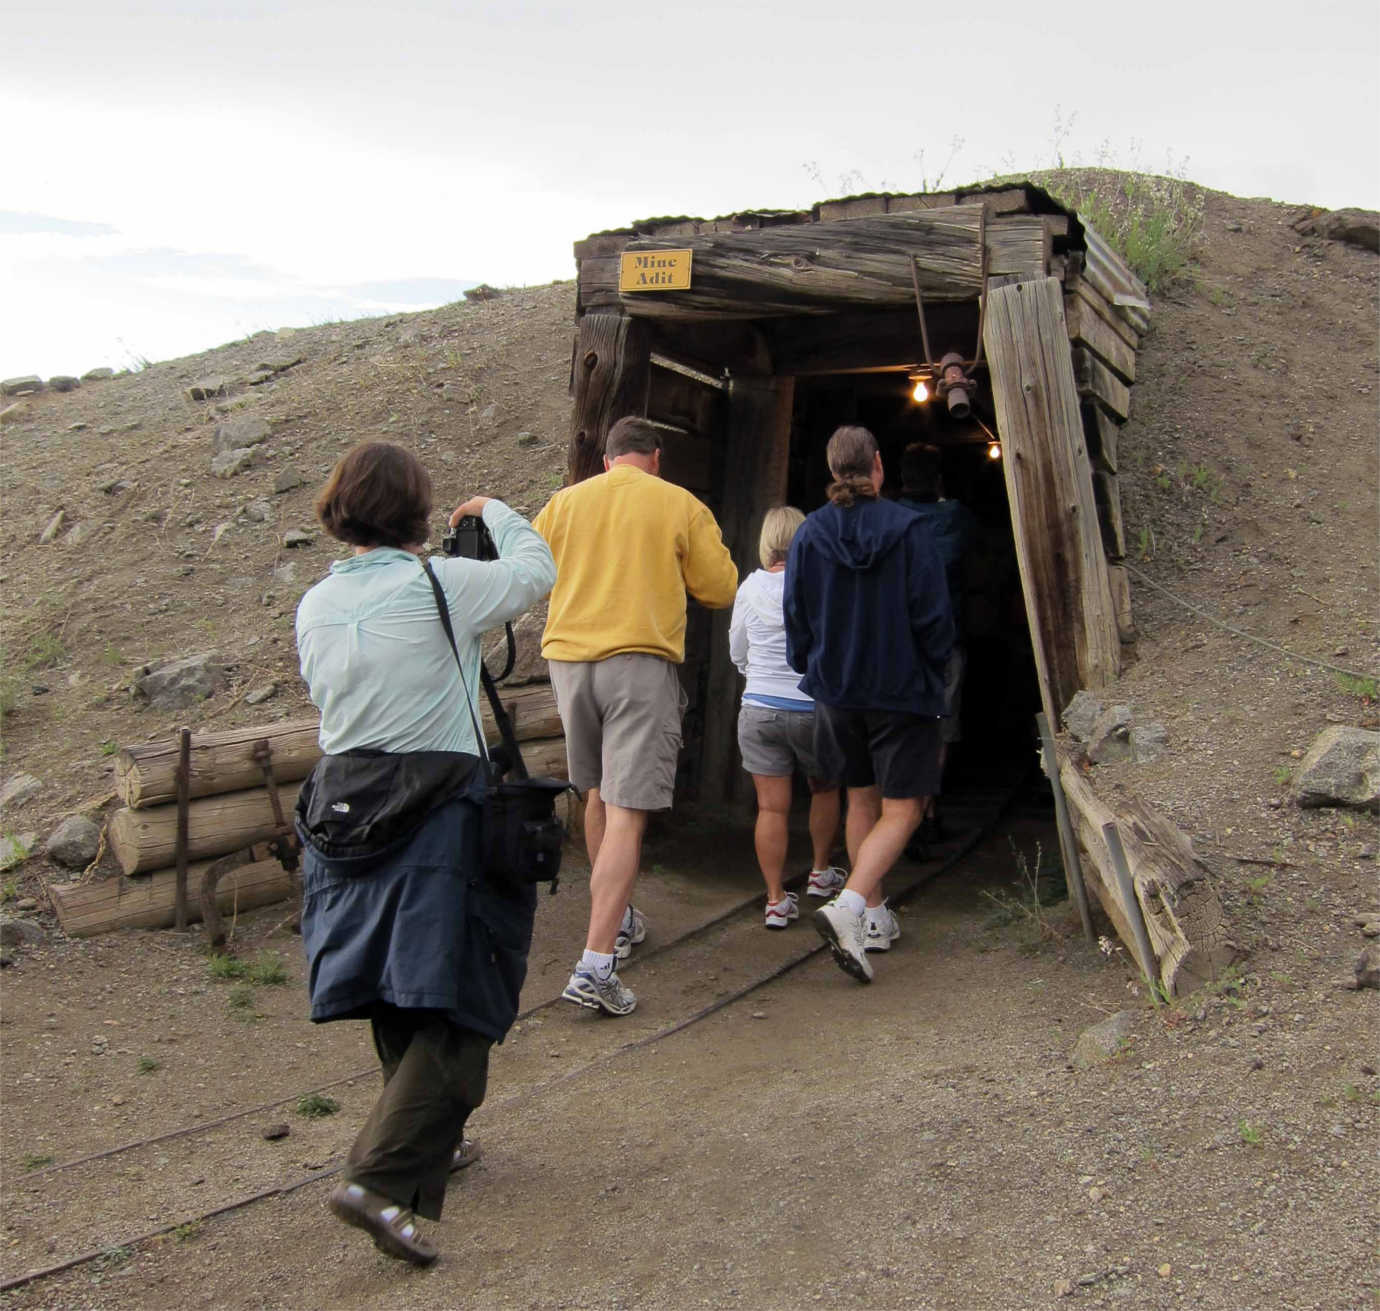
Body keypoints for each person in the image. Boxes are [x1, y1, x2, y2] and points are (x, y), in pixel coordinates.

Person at [294, 441, 555, 1265]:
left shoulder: (313, 604)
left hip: (340, 811)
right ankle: (379, 1176)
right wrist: (490, 512)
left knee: (394, 986)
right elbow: (536, 568)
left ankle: (422, 1143)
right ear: (415, 508)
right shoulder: (442, 583)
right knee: (465, 994)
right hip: (438, 809)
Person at [534, 415, 737, 1016]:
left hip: (569, 665)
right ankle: (596, 964)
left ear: (607, 460)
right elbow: (719, 588)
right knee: (627, 812)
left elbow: (534, 574)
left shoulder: (562, 504)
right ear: (656, 456)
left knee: (596, 794)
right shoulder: (678, 503)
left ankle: (617, 919)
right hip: (637, 664)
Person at [784, 425, 954, 983]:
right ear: (878, 466)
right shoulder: (911, 528)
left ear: (835, 470)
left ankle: (875, 919)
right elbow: (933, 614)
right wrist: (935, 669)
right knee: (903, 809)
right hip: (901, 690)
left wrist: (810, 663)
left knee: (861, 801)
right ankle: (852, 905)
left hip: (838, 691)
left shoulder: (809, 534)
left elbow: (797, 614)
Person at [729, 505, 847, 928]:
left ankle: (776, 900)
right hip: (813, 708)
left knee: (771, 808)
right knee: (825, 788)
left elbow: (736, 651)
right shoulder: (822, 585)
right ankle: (819, 872)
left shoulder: (748, 588)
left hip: (760, 708)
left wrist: (758, 675)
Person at [897, 442, 980, 844]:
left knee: (902, 728)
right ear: (938, 478)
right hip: (945, 640)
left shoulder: (889, 518)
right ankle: (927, 812)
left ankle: (905, 815)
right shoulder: (956, 519)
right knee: (940, 730)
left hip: (897, 643)